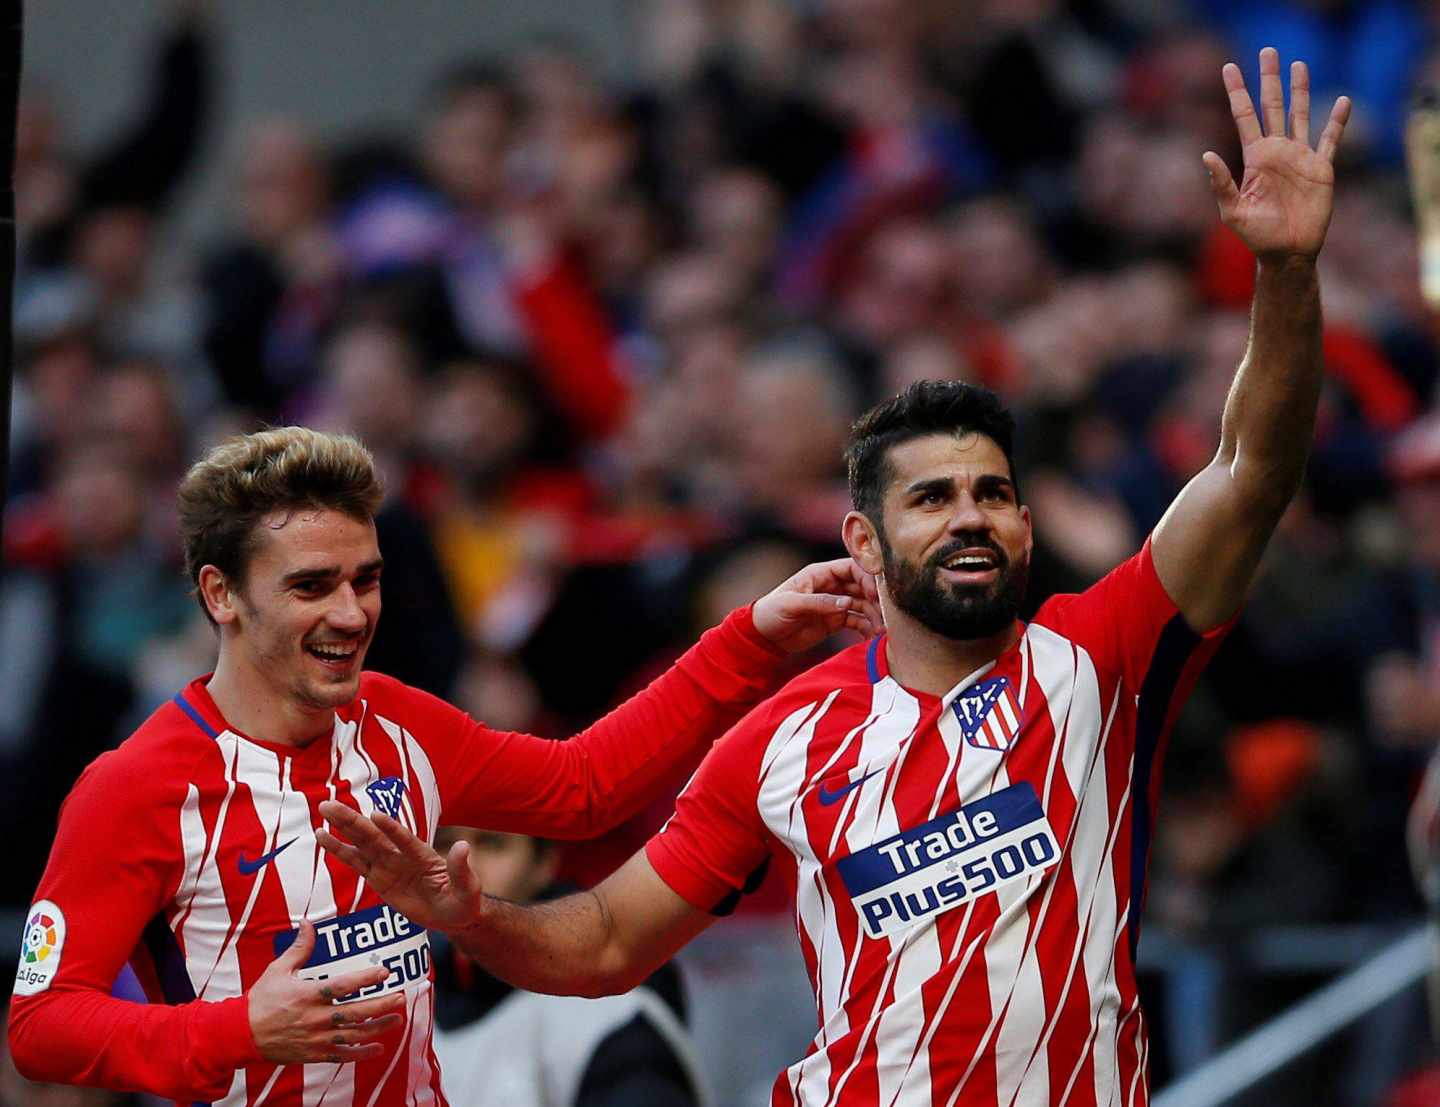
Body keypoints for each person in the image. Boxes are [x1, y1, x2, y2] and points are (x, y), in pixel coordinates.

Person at [318, 50, 1350, 1105]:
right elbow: (607, 940)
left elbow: (1250, 472)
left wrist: (1285, 272)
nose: (968, 518)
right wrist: (469, 917)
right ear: (863, 541)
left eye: (991, 495)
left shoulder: (1098, 657)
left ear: (1030, 530)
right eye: (931, 498)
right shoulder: (782, 740)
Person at [7, 425, 881, 1106]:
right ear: (220, 594)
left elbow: (583, 787)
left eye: (367, 579)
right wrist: (238, 1028)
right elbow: (40, 1023)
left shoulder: (391, 718)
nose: (352, 612)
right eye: (312, 586)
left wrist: (753, 632)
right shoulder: (136, 784)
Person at [429, 828, 709, 1107]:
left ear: (544, 862)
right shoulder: (408, 1003)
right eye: (443, 844)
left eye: (493, 844)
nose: (463, 867)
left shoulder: (613, 1017)